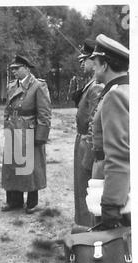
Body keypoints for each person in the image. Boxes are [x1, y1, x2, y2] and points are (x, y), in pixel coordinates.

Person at [1, 55, 52, 214]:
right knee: (11, 166)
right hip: (13, 128)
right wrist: (6, 124)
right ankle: (13, 201)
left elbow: (44, 114)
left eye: (17, 68)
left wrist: (41, 136)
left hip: (29, 130)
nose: (14, 71)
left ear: (26, 68)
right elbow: (7, 109)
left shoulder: (38, 86)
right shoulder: (11, 86)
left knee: (30, 168)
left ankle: (32, 202)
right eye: (12, 69)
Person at [89, 34, 129, 230]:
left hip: (115, 186)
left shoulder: (115, 96)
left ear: (105, 65)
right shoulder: (127, 89)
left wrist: (111, 203)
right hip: (126, 185)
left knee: (113, 249)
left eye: (95, 62)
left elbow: (119, 154)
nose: (93, 67)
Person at [73, 39, 104, 227]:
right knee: (80, 187)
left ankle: (87, 228)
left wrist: (89, 153)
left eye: (85, 59)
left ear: (94, 61)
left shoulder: (96, 87)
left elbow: (94, 120)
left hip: (87, 140)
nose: (82, 63)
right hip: (81, 138)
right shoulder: (91, 83)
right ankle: (82, 225)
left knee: (86, 188)